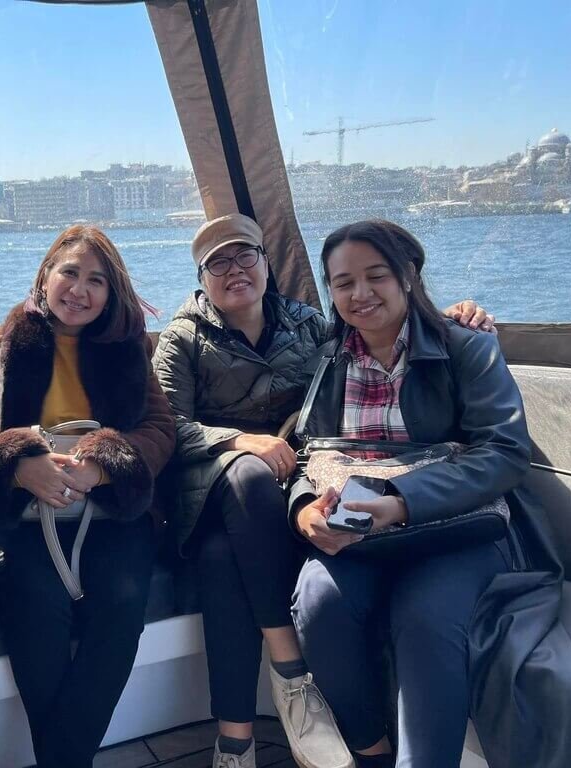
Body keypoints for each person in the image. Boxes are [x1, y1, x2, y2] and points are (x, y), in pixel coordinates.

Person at [151, 213, 494, 768]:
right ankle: (290, 677)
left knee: (221, 562)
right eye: (218, 263)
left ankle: (235, 744)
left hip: (295, 480)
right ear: (201, 278)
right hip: (215, 483)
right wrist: (241, 441)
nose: (235, 270)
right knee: (248, 478)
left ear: (267, 264)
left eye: (245, 255)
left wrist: (451, 315)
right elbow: (167, 427)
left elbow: (382, 343)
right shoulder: (183, 338)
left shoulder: (312, 327)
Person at [287, 219, 530, 768]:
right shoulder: (326, 361)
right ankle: (369, 752)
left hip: (454, 530)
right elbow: (305, 453)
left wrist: (401, 503)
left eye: (376, 275)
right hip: (362, 532)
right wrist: (303, 511)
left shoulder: (466, 347)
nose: (360, 293)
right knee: (318, 602)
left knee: (425, 617)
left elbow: (504, 451)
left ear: (408, 275)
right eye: (343, 282)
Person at [0, 224, 175, 768]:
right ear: (45, 276)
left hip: (109, 511)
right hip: (19, 513)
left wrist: (101, 467)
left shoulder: (129, 349)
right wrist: (18, 464)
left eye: (96, 280)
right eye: (70, 273)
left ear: (112, 292)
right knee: (33, 601)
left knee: (122, 602)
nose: (79, 290)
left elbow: (160, 430)